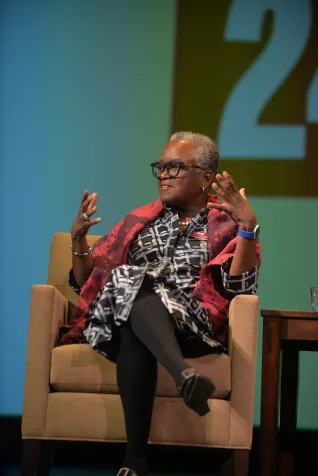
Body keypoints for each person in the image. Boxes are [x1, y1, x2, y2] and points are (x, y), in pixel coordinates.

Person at [59, 132, 261, 476]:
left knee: (130, 294)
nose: (163, 175)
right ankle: (184, 380)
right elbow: (85, 282)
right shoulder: (138, 221)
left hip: (190, 322)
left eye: (174, 167)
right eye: (160, 167)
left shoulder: (226, 223)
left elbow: (238, 286)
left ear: (206, 178)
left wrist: (247, 228)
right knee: (129, 287)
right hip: (122, 315)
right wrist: (79, 240)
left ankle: (134, 461)